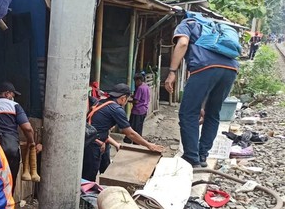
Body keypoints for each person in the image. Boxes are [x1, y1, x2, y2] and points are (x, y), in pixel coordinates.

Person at [165, 16, 239, 167]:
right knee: (213, 113)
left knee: (188, 113)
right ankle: (202, 155)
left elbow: (183, 43)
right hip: (231, 69)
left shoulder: (187, 23)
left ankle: (192, 158)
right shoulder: (216, 27)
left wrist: (172, 72)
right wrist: (202, 105)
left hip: (205, 66)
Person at [82, 83, 163, 182]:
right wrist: (149, 145)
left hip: (92, 141)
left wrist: (116, 144)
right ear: (123, 98)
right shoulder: (116, 109)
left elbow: (100, 129)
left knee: (104, 169)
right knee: (88, 178)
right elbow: (130, 133)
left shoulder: (100, 103)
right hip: (93, 146)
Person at [0, 82, 36, 191]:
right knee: (9, 182)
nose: (13, 98)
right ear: (7, 94)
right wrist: (31, 142)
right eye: (13, 95)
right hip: (10, 149)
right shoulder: (14, 106)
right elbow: (27, 128)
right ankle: (7, 204)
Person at [123, 73, 151, 144]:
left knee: (132, 126)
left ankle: (129, 140)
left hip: (137, 110)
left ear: (139, 80)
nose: (135, 83)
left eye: (135, 81)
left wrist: (126, 100)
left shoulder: (140, 88)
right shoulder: (146, 87)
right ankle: (137, 141)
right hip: (144, 110)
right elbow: (141, 96)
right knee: (139, 126)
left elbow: (136, 101)